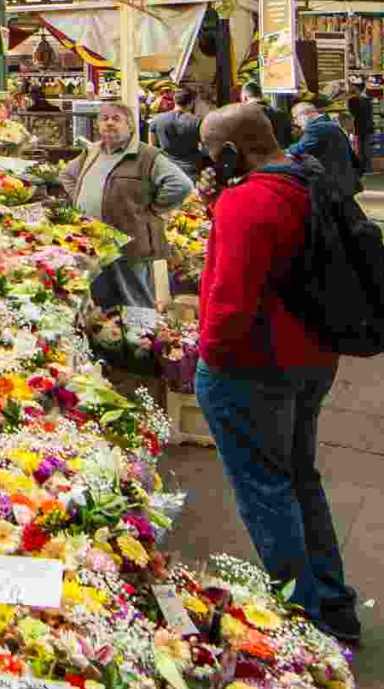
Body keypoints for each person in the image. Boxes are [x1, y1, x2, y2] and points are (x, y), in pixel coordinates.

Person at [191, 103, 359, 645]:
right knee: (299, 478)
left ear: (234, 152)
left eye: (213, 155)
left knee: (265, 490)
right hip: (312, 358)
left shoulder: (248, 202)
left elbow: (230, 301)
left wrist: (208, 361)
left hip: (252, 365)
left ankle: (300, 620)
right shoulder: (310, 181)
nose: (211, 165)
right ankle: (334, 603)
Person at [65, 101, 193, 309]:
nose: (109, 123)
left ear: (131, 125)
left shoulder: (146, 155)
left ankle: (142, 338)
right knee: (101, 300)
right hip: (92, 242)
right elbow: (67, 175)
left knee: (135, 300)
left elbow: (181, 184)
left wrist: (154, 208)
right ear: (97, 125)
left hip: (129, 242)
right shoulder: (92, 152)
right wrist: (79, 196)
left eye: (116, 119)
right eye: (104, 119)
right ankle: (108, 339)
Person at [287, 96, 362, 197]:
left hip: (333, 186)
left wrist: (280, 152)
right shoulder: (330, 124)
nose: (295, 122)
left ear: (307, 114)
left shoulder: (316, 128)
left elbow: (299, 149)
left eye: (295, 117)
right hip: (343, 183)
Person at [148, 85, 205, 179]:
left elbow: (152, 148)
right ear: (191, 103)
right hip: (191, 171)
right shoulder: (197, 122)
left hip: (167, 170)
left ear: (174, 100)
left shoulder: (156, 120)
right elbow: (204, 147)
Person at [344, 81, 378, 172]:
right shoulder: (367, 99)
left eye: (353, 87)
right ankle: (367, 167)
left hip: (360, 128)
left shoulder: (353, 100)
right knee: (365, 148)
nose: (351, 88)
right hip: (368, 127)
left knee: (361, 149)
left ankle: (363, 167)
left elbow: (351, 113)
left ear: (357, 88)